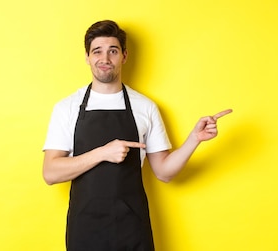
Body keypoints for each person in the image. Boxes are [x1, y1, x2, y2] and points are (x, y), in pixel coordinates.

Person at [41, 20, 231, 251]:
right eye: (97, 51)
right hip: (85, 229)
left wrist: (194, 139)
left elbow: (164, 172)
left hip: (132, 227)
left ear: (124, 56)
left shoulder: (145, 107)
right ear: (87, 57)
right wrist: (103, 152)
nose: (105, 58)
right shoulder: (67, 108)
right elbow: (50, 173)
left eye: (113, 51)